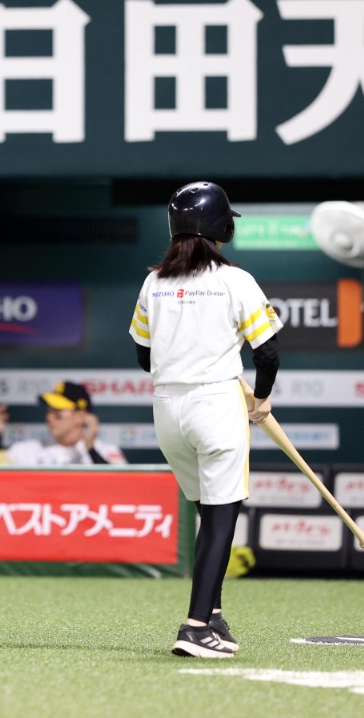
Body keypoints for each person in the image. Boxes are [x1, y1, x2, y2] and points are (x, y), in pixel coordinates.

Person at [129, 181, 282, 659]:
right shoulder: (237, 280)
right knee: (221, 515)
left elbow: (142, 354)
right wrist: (261, 399)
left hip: (167, 410)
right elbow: (268, 352)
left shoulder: (154, 281)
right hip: (216, 404)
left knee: (206, 510)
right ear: (222, 226)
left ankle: (213, 616)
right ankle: (195, 626)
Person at [0, 380, 127, 465]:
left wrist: (90, 449)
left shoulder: (106, 451)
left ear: (81, 416)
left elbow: (121, 488)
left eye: (58, 412)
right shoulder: (26, 450)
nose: (50, 417)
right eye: (49, 410)